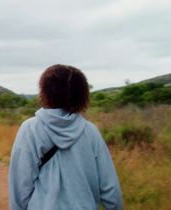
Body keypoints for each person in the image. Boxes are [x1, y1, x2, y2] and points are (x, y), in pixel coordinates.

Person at [8, 64, 123, 210]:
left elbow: (20, 185)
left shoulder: (30, 129)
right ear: (81, 94)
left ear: (45, 92)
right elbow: (110, 187)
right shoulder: (90, 132)